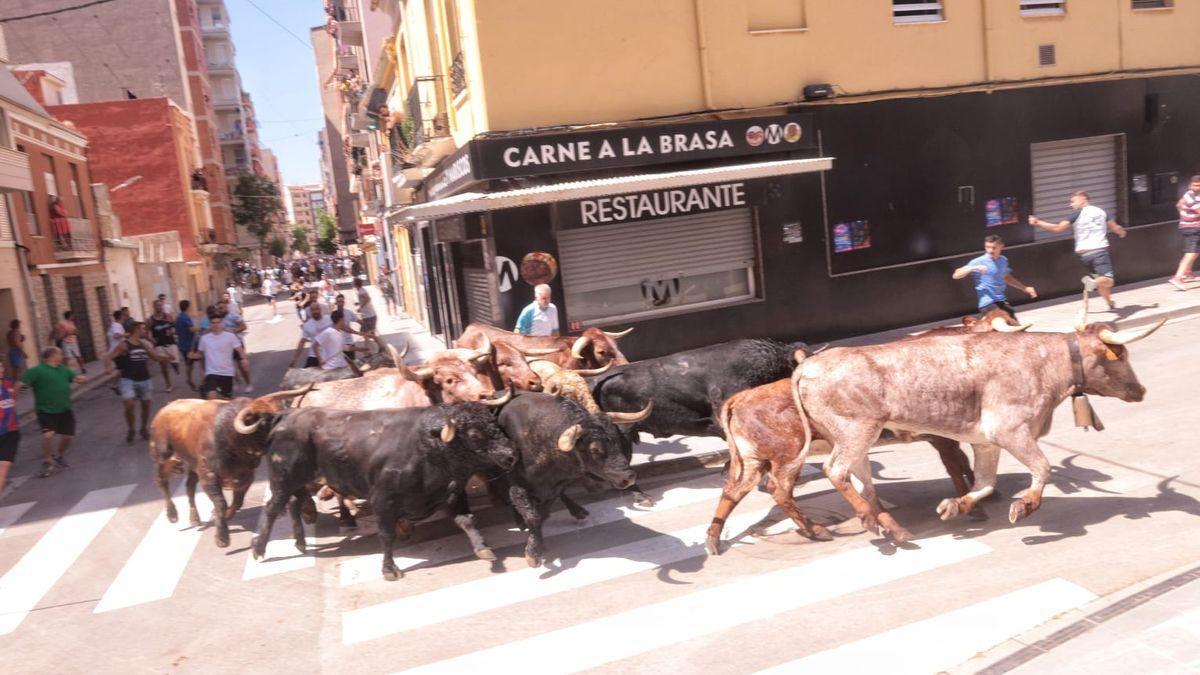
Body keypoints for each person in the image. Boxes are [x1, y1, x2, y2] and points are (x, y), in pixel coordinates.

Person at [1029, 191, 1127, 311]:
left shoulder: (1077, 215)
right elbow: (1115, 227)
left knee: (1101, 281)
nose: (1071, 205)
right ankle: (1092, 283)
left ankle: (1110, 303)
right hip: (1099, 253)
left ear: (1084, 200)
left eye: (1073, 201)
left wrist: (1038, 222)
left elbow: (1057, 228)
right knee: (1109, 281)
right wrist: (1121, 232)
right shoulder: (1102, 212)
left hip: (1085, 257)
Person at [20, 346, 86, 478]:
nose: (61, 356)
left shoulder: (63, 370)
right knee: (48, 435)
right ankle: (48, 460)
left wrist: (81, 379)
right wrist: (20, 389)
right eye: (59, 354)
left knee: (68, 436)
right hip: (46, 410)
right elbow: (22, 382)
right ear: (52, 356)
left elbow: (75, 378)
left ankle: (59, 455)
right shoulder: (37, 371)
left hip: (64, 408)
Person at [108, 321, 174, 443]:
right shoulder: (124, 345)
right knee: (129, 405)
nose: (145, 331)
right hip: (128, 379)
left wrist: (167, 358)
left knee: (146, 406)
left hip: (145, 379)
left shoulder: (143, 344)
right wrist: (108, 368)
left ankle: (143, 428)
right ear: (136, 330)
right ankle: (131, 429)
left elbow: (154, 357)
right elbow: (109, 356)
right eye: (143, 329)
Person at [952, 235, 1037, 319]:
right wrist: (973, 268)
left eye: (994, 247)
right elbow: (956, 275)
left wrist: (1024, 288)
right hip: (987, 304)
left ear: (1001, 247)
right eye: (988, 247)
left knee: (1015, 326)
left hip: (1002, 301)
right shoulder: (978, 261)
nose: (990, 250)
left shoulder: (1003, 260)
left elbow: (1006, 277)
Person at [190, 315, 247, 400]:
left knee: (226, 400)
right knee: (212, 397)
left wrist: (244, 359)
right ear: (210, 324)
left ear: (222, 323)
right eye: (213, 323)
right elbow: (200, 354)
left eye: (218, 322)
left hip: (227, 373)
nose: (216, 324)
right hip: (211, 373)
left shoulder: (230, 336)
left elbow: (239, 350)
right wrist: (192, 355)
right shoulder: (204, 339)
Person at [1168, 174, 1200, 291]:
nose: (1196, 187)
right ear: (1190, 185)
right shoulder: (1191, 197)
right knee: (1191, 253)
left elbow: (1178, 205)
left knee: (1195, 252)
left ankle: (1187, 273)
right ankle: (1177, 278)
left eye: (1198, 186)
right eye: (1194, 185)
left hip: (1189, 226)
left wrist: (1185, 214)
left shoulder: (1188, 195)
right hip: (1192, 228)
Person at [218, 300, 252, 393]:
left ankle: (248, 384)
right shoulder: (218, 320)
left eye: (222, 308)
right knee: (229, 366)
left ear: (227, 307)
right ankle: (236, 382)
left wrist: (234, 331)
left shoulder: (233, 316)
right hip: (225, 346)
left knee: (242, 365)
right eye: (219, 308)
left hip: (237, 343)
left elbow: (244, 326)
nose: (220, 310)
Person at [149, 298, 180, 392]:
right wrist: (152, 340)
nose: (159, 307)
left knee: (175, 363)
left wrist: (173, 331)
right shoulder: (150, 320)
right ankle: (168, 384)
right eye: (157, 305)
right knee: (163, 366)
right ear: (154, 307)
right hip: (159, 345)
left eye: (160, 305)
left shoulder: (168, 316)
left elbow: (174, 326)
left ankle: (175, 366)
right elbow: (146, 333)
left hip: (170, 342)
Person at [289, 302, 332, 368]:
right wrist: (294, 359)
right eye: (312, 310)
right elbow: (302, 342)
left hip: (330, 354)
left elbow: (340, 329)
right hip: (314, 356)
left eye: (316, 309)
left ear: (320, 309)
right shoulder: (307, 325)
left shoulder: (329, 319)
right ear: (310, 311)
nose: (315, 311)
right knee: (306, 376)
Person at [0, 360, 19, 496]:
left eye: (1, 365)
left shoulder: (8, 383)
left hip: (11, 432)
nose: (1, 369)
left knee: (3, 468)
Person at [175, 299, 199, 391]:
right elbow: (191, 329)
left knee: (190, 364)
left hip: (183, 344)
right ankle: (189, 380)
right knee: (192, 363)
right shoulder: (185, 317)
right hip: (189, 345)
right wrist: (201, 328)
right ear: (188, 307)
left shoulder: (179, 317)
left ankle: (190, 380)